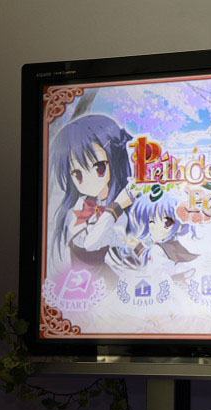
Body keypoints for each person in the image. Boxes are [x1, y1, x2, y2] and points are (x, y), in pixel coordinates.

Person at [50, 114, 133, 284]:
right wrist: (116, 208)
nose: (89, 181)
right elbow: (89, 244)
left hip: (108, 283)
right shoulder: (79, 208)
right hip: (81, 286)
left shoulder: (120, 214)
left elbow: (118, 244)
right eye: (77, 174)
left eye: (99, 168)